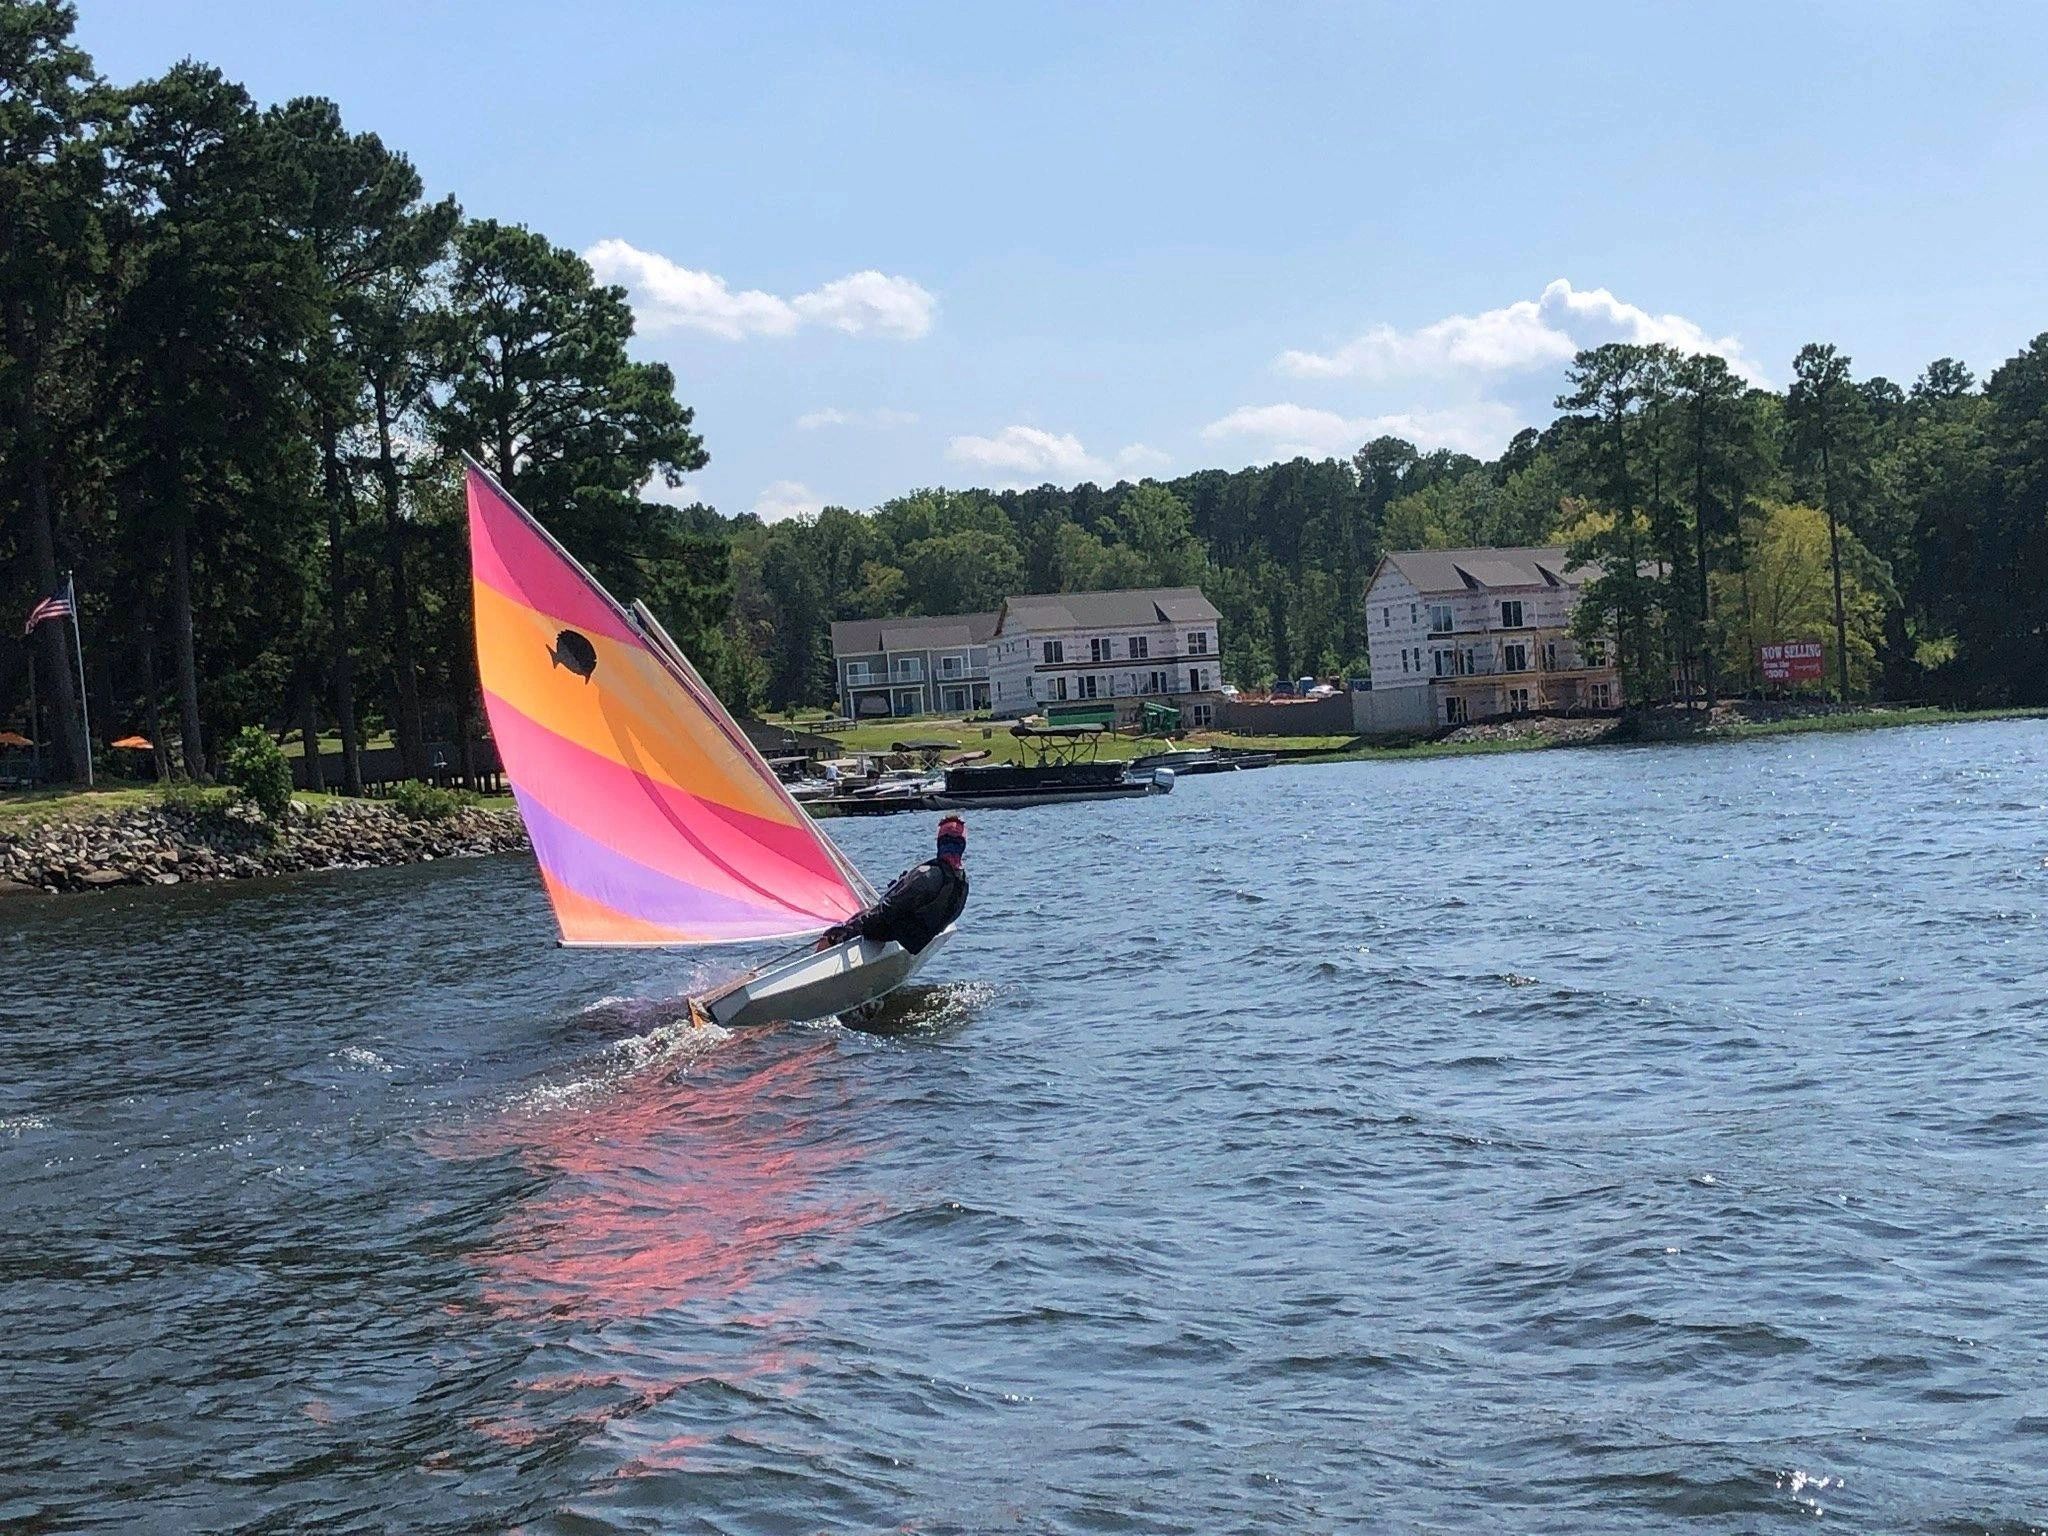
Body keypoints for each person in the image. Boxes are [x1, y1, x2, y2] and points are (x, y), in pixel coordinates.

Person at [822, 815, 968, 954]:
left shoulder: (927, 875)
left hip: (896, 932)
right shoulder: (962, 881)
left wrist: (850, 928)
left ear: (939, 843)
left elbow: (888, 911)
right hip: (919, 938)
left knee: (843, 927)